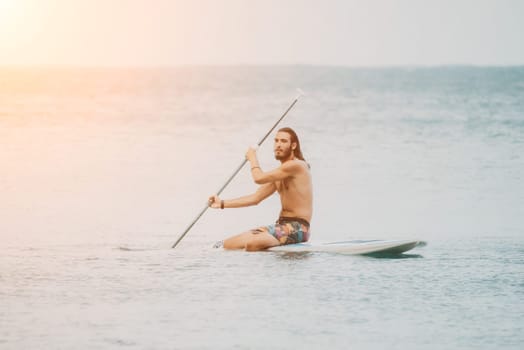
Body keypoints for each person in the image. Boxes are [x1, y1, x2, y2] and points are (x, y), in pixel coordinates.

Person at [208, 127, 313, 251]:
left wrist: (252, 157)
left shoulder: (297, 165)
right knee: (228, 245)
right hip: (280, 226)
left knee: (252, 243)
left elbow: (258, 178)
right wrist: (221, 203)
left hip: (299, 228)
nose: (278, 145)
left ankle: (267, 250)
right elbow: (255, 198)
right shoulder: (280, 173)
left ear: (293, 145)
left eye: (283, 141)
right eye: (276, 141)